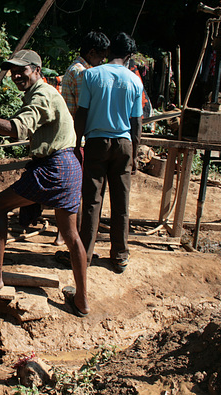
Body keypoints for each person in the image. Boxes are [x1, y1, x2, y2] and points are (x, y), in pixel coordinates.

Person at [0, 49, 89, 317]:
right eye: (13, 71)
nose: (16, 75)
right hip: (70, 166)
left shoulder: (41, 95)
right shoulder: (45, 93)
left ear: (37, 71)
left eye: (22, 70)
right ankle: (82, 301)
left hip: (55, 167)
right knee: (72, 236)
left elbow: (16, 128)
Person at [74, 32, 143, 274]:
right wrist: (133, 153)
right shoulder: (135, 80)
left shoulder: (91, 74)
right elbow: (136, 122)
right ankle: (120, 255)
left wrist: (76, 143)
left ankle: (85, 253)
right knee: (121, 201)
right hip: (123, 144)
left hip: (96, 143)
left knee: (93, 199)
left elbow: (82, 112)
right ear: (129, 55)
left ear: (110, 49)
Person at [54, 31, 110, 250]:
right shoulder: (82, 73)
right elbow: (86, 109)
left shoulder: (77, 70)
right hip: (78, 137)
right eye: (101, 56)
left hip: (73, 135)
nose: (103, 61)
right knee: (77, 188)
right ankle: (67, 233)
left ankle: (65, 232)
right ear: (92, 52)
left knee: (73, 187)